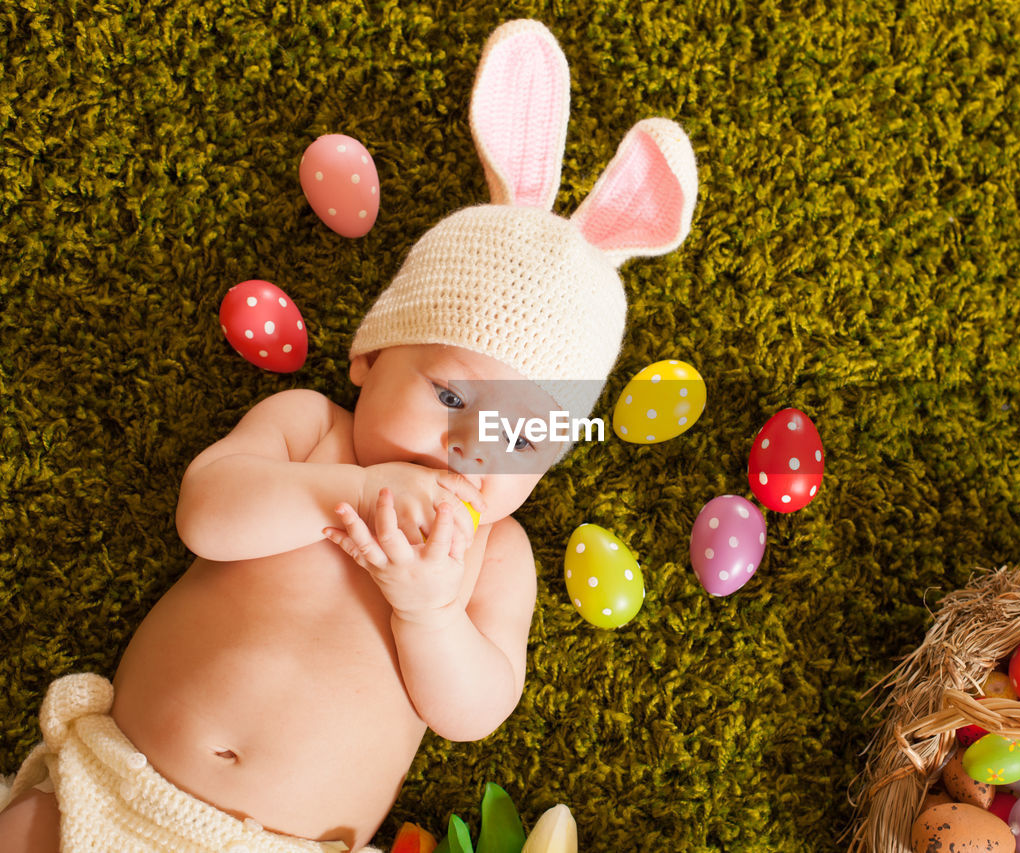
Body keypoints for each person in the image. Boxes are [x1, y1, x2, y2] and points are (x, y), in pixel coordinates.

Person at [0, 19, 697, 852]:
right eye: (449, 393)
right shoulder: (311, 431)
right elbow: (207, 513)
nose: (468, 446)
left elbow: (473, 710)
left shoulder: (494, 556)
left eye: (517, 434)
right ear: (368, 357)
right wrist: (348, 493)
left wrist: (431, 611)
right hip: (117, 789)